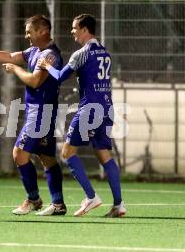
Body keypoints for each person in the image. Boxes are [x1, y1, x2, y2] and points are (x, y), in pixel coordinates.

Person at [0, 15, 67, 216]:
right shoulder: (34, 51)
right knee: (46, 157)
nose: (27, 35)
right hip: (42, 112)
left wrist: (15, 70)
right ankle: (58, 204)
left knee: (19, 154)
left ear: (42, 31)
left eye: (30, 31)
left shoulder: (49, 55)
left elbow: (35, 81)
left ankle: (33, 199)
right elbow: (10, 56)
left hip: (39, 113)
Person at [38, 14, 126, 217]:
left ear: (85, 29)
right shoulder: (105, 53)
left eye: (75, 27)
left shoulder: (81, 53)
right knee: (104, 154)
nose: (72, 31)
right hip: (106, 107)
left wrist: (46, 65)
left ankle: (91, 197)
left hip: (89, 109)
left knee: (67, 152)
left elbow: (59, 77)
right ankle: (119, 204)